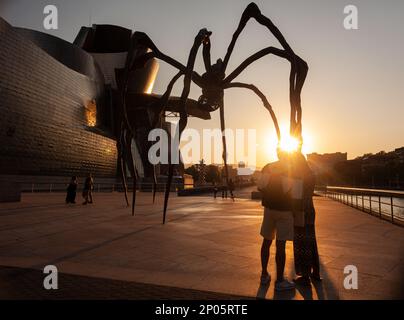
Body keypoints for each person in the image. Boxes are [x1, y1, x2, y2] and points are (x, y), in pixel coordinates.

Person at [258, 149, 297, 291]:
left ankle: (264, 274)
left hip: (269, 209)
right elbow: (293, 192)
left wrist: (269, 195)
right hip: (285, 210)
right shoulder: (291, 169)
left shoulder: (267, 167)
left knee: (266, 242)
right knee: (281, 245)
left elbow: (260, 186)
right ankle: (279, 280)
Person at [292, 153, 321, 286]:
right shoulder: (310, 174)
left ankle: (305, 276)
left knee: (301, 242)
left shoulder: (298, 176)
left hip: (301, 210)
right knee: (311, 241)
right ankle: (316, 272)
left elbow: (297, 195)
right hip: (310, 209)